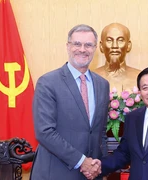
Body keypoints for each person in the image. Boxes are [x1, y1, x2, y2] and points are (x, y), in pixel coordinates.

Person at [30, 24, 109, 180]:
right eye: (77, 44)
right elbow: (45, 132)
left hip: (91, 175)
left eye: (88, 45)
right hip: (56, 172)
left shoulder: (102, 84)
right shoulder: (48, 82)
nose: (82, 49)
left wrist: (99, 164)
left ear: (95, 49)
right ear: (68, 46)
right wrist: (82, 162)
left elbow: (101, 131)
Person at [93, 23, 141, 91]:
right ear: (101, 46)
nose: (115, 46)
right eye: (109, 40)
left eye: (120, 40)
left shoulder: (140, 77)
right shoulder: (90, 78)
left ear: (128, 45)